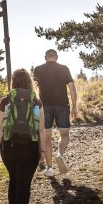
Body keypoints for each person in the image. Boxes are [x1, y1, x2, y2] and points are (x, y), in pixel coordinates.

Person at [0, 68, 45, 204]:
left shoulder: (6, 100)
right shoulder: (36, 101)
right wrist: (42, 151)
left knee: (14, 179)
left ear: (13, 82)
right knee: (24, 183)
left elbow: (0, 127)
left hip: (9, 146)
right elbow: (41, 129)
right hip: (30, 146)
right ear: (30, 82)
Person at [33, 49, 77, 177]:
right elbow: (72, 88)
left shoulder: (38, 69)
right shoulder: (64, 68)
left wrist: (34, 105)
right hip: (62, 105)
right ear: (56, 57)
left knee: (46, 137)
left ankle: (50, 168)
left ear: (45, 57)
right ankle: (60, 155)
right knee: (64, 134)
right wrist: (74, 106)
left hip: (44, 106)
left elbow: (33, 88)